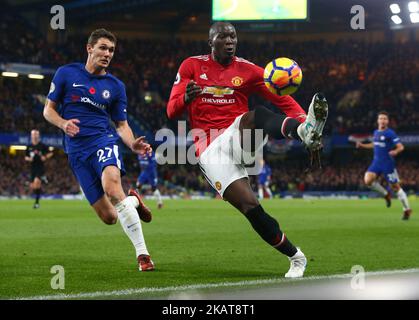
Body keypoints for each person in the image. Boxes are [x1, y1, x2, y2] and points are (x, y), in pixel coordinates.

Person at [167, 22, 328, 278]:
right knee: (251, 208)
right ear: (211, 42)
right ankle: (296, 257)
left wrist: (304, 125)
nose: (230, 40)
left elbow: (282, 100)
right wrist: (185, 98)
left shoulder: (250, 71)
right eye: (223, 36)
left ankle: (302, 133)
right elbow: (171, 110)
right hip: (209, 147)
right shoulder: (191, 66)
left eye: (233, 36)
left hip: (237, 133)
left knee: (255, 116)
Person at [43, 28, 155, 271]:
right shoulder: (66, 73)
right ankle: (133, 202)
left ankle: (143, 255)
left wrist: (132, 143)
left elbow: (122, 125)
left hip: (103, 141)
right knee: (110, 217)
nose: (107, 54)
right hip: (76, 152)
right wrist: (63, 123)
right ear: (89, 48)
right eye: (103, 48)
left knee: (112, 188)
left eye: (111, 50)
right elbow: (48, 110)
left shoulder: (115, 86)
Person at [356, 111, 412, 220]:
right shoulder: (376, 132)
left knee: (396, 187)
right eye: (381, 118)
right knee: (367, 180)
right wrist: (362, 145)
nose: (382, 120)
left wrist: (396, 151)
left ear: (388, 121)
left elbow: (401, 147)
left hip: (387, 163)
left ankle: (407, 209)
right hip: (376, 162)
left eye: (385, 119)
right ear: (377, 120)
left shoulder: (390, 133)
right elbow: (374, 144)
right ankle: (386, 195)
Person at [24, 129, 53, 209]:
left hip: (40, 167)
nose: (35, 136)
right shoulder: (29, 146)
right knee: (34, 186)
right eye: (33, 134)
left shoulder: (42, 145)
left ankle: (36, 203)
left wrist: (45, 157)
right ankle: (43, 180)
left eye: (36, 134)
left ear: (38, 136)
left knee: (37, 182)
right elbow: (26, 157)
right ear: (31, 136)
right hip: (32, 168)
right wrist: (29, 159)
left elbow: (50, 153)